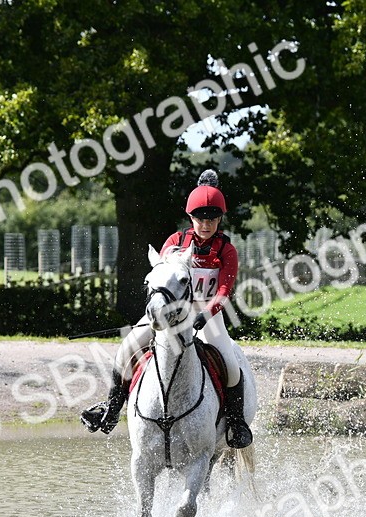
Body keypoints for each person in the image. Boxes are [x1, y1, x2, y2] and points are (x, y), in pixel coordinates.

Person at [80, 169, 253, 449]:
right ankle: (112, 409)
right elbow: (161, 280)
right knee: (127, 348)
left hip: (207, 315)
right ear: (191, 218)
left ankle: (235, 422)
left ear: (220, 219)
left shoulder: (226, 250)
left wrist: (206, 313)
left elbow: (224, 291)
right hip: (171, 311)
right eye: (200, 218)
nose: (206, 224)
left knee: (231, 364)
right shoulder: (175, 242)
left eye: (212, 219)